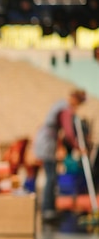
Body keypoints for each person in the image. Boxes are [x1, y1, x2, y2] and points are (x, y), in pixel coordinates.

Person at [33, 88, 87, 222]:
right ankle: (47, 210)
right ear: (75, 99)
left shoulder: (61, 105)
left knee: (52, 176)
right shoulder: (66, 109)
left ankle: (49, 208)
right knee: (51, 177)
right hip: (47, 142)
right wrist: (78, 147)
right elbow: (68, 132)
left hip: (47, 140)